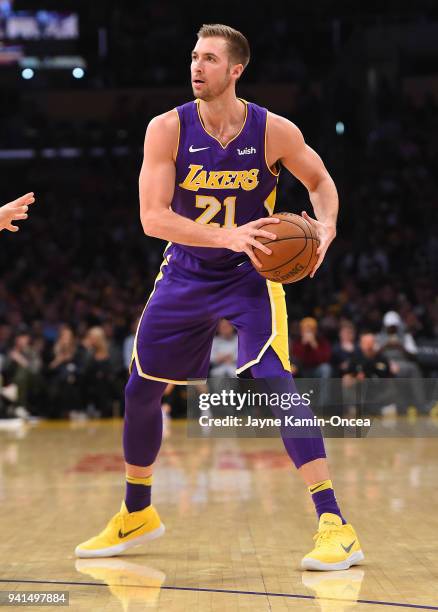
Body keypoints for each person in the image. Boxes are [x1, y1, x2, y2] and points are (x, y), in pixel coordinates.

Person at [75, 24, 363, 571]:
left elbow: (321, 183)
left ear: (236, 70)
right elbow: (152, 217)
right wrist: (225, 235)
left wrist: (324, 231)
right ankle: (137, 512)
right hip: (186, 270)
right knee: (140, 389)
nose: (196, 67)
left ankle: (335, 523)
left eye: (209, 59)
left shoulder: (273, 131)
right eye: (193, 56)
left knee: (274, 377)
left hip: (251, 275)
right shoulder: (167, 129)